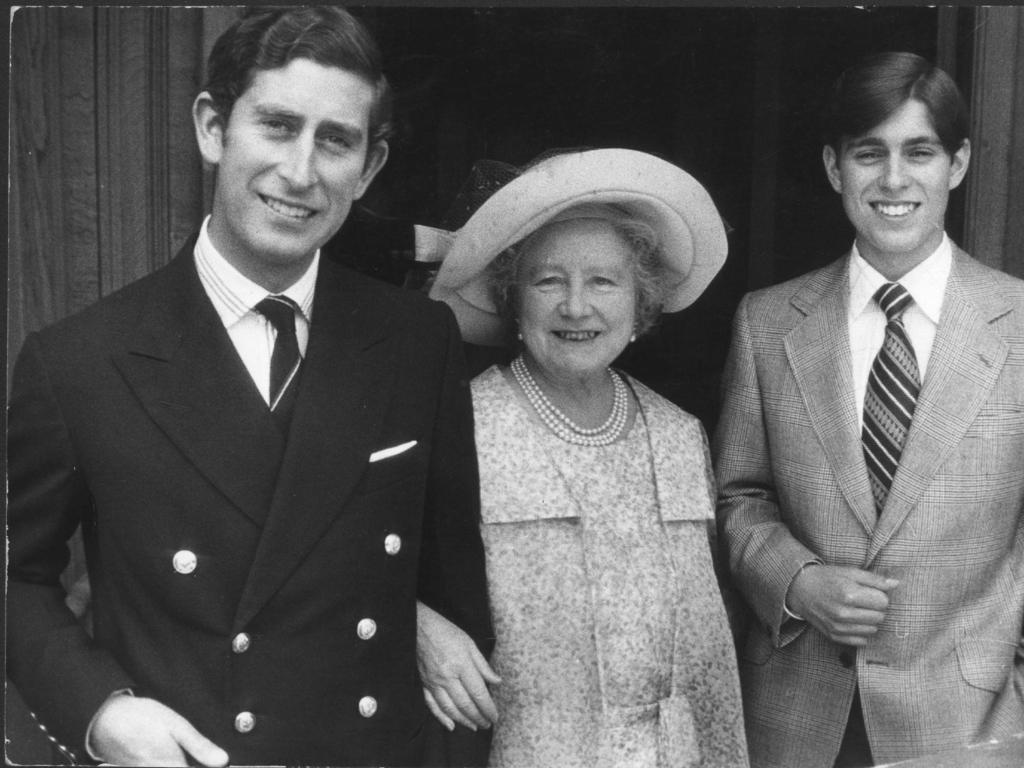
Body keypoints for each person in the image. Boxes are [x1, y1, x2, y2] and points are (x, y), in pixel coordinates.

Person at [6, 7, 491, 766]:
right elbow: (18, 581)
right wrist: (101, 713)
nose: (301, 172)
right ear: (211, 128)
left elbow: (455, 594)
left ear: (368, 168)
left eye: (336, 140)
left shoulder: (417, 342)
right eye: (276, 125)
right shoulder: (77, 363)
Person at [714, 51, 1024, 767]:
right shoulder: (766, 323)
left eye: (919, 152)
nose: (892, 179)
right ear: (833, 168)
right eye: (868, 153)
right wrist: (796, 579)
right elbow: (738, 497)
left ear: (958, 163)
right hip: (796, 721)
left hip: (972, 726)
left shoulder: (1016, 323)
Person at [418, 148, 749, 767]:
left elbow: (713, 655)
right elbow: (362, 568)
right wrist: (419, 629)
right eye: (548, 280)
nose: (576, 306)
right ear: (513, 300)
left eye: (603, 280)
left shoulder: (680, 435)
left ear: (639, 304)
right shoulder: (459, 425)